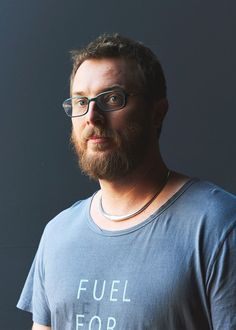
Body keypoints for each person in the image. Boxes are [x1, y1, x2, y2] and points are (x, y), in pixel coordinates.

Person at [17, 34, 236, 330]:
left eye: (111, 98)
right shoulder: (57, 235)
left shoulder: (217, 224)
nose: (92, 117)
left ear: (156, 113)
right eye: (81, 101)